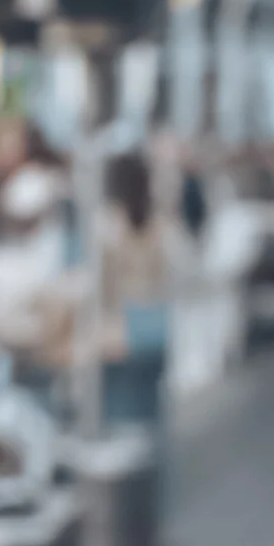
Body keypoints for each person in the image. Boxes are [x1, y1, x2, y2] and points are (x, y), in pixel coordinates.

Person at [99, 150, 173, 428]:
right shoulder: (158, 221)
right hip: (156, 322)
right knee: (149, 414)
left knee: (120, 415)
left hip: (124, 326)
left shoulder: (109, 222)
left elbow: (106, 282)